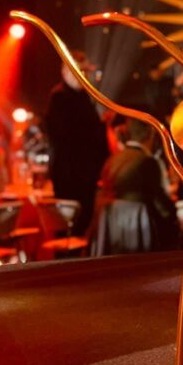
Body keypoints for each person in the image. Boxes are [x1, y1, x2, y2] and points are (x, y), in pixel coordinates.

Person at [45, 55, 108, 232]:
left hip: (86, 174)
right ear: (65, 72)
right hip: (70, 176)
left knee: (84, 224)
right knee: (70, 227)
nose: (84, 75)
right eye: (79, 70)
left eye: (86, 70)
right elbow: (64, 136)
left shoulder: (83, 96)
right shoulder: (59, 97)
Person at [95, 118, 176, 251]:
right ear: (151, 135)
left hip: (111, 228)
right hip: (137, 228)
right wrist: (175, 214)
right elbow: (161, 204)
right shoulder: (148, 161)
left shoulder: (112, 159)